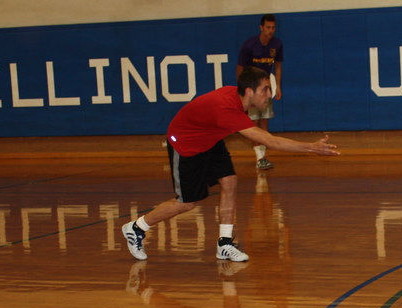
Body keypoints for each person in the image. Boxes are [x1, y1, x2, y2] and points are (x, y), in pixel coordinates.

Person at [121, 66, 338, 263]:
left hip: (210, 137)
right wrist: (312, 147)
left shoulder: (238, 98)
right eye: (265, 90)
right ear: (250, 92)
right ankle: (137, 227)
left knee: (230, 180)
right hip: (186, 143)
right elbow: (270, 141)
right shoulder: (227, 110)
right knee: (187, 203)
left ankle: (224, 244)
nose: (270, 95)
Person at [236, 14, 282, 170]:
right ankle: (259, 157)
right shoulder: (249, 45)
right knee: (253, 122)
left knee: (265, 121)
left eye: (273, 27)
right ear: (261, 28)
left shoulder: (277, 44)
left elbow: (277, 66)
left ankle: (263, 155)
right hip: (252, 89)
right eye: (268, 27)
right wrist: (243, 90)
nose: (271, 31)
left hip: (266, 87)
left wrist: (278, 86)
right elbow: (240, 69)